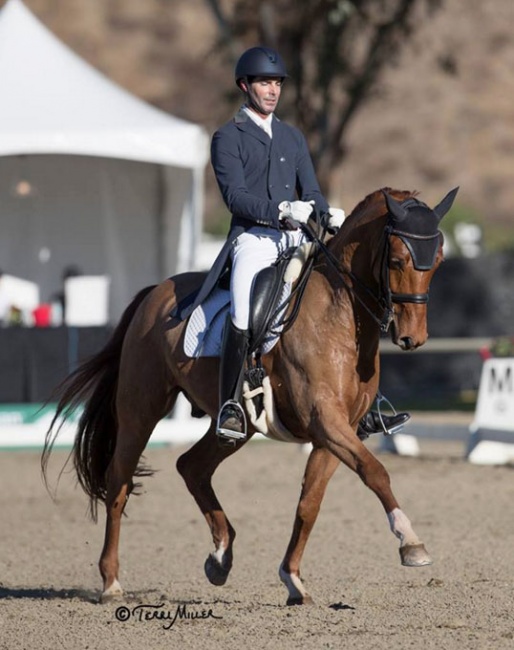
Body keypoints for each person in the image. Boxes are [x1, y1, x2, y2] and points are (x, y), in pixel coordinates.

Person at [182, 46, 409, 442]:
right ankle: (230, 404)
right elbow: (235, 197)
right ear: (244, 85)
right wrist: (282, 208)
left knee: (348, 297)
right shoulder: (227, 137)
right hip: (254, 239)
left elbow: (313, 191)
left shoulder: (292, 137)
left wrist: (326, 213)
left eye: (276, 84)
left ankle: (367, 406)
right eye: (264, 83)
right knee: (243, 312)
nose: (272, 90)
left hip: (296, 238)